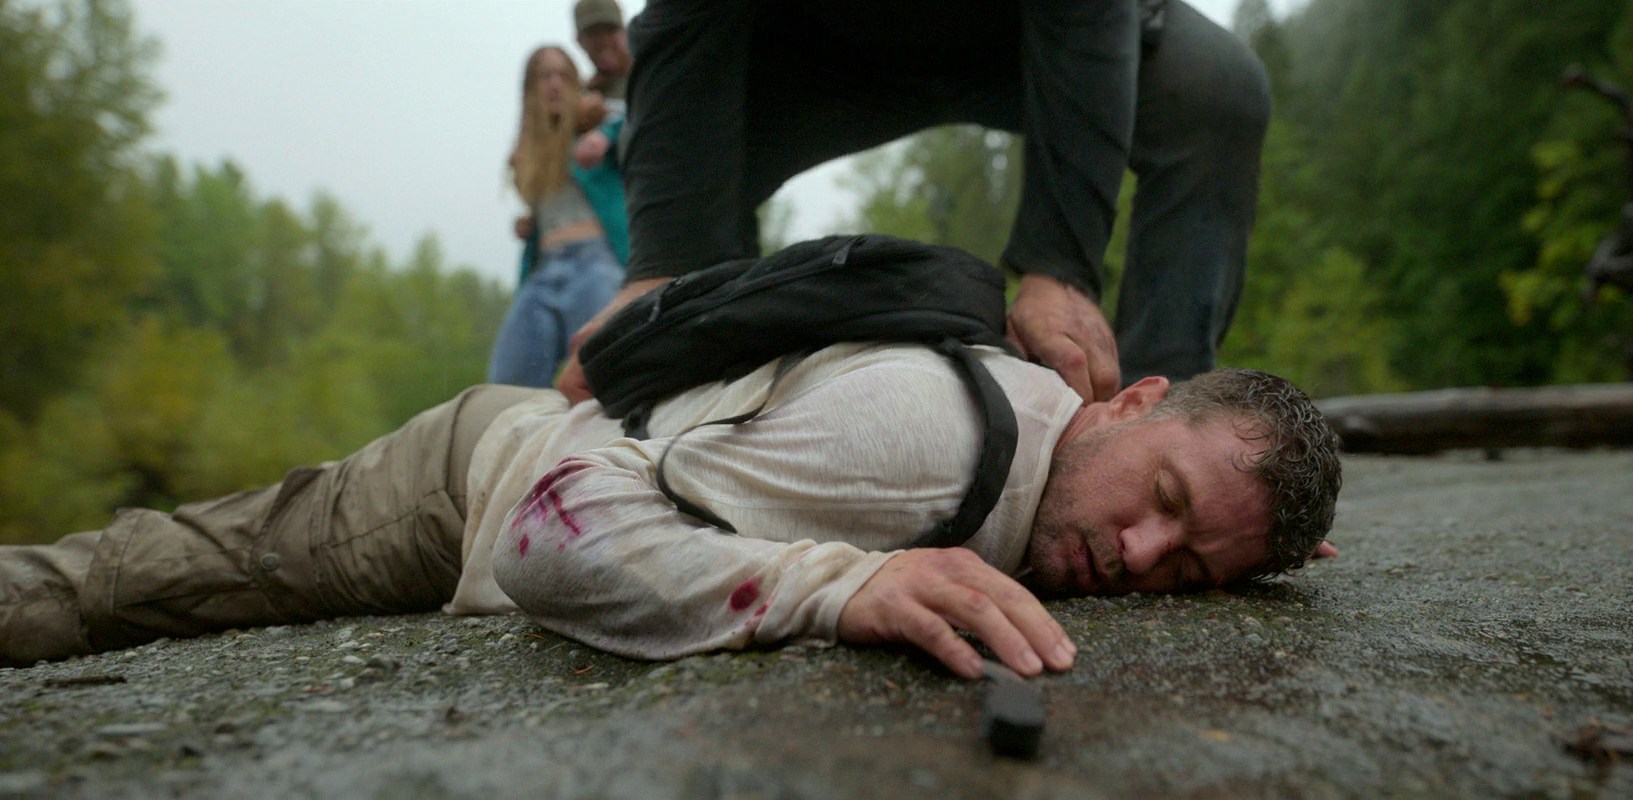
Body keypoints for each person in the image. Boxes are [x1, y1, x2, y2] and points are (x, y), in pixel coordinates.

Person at [0, 344, 1340, 678]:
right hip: (471, 481)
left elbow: (1200, 515)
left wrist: (1245, 540)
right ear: (1129, 399)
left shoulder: (1065, 461)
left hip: (544, 446)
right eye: (1164, 497)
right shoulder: (931, 442)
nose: (1138, 553)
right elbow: (550, 535)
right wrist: (837, 585)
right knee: (147, 578)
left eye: (1186, 571)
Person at [560, 0, 1271, 406]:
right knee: (683, 190)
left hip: (1034, 36)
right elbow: (681, 26)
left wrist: (1062, 268)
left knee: (1214, 91)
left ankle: (1167, 406)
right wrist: (660, 278)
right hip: (818, 50)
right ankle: (710, 414)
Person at [487, 46, 630, 387]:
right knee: (507, 386)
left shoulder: (599, 122)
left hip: (595, 264)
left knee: (606, 376)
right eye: (544, 76)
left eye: (563, 76)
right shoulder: (531, 151)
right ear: (530, 90)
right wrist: (531, 225)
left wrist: (604, 134)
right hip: (543, 271)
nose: (554, 84)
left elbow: (640, 114)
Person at [573, 0, 633, 123]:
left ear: (625, 32)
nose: (604, 41)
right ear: (580, 41)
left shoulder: (650, 78)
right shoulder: (580, 97)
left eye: (610, 30)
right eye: (594, 33)